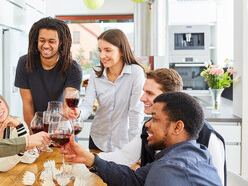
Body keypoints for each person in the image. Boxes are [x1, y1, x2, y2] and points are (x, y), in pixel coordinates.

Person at [60, 92, 222, 186]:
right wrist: (89, 159)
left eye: (155, 119)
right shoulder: (198, 154)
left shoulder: (168, 171)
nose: (148, 125)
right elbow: (134, 179)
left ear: (177, 127)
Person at [98, 68, 226, 185]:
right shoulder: (149, 127)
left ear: (169, 97)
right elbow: (125, 157)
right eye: (144, 92)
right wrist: (86, 160)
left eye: (150, 93)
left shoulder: (209, 137)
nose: (142, 98)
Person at [65, 29, 145, 152]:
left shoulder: (135, 72)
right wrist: (78, 112)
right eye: (100, 50)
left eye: (108, 50)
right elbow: (87, 105)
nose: (102, 55)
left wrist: (135, 148)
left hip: (124, 143)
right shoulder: (96, 73)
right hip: (98, 140)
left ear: (122, 51)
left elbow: (135, 112)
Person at [14, 17, 82, 129]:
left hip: (62, 128)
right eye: (42, 40)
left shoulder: (73, 68)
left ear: (60, 42)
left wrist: (57, 133)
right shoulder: (25, 63)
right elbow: (27, 104)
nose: (46, 45)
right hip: (37, 126)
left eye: (51, 41)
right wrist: (33, 137)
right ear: (36, 40)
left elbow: (67, 106)